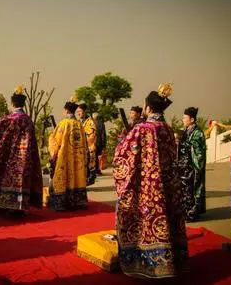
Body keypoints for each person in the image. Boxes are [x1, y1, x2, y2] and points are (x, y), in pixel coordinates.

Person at [113, 84, 188, 279]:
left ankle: (146, 265)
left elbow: (122, 156)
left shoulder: (142, 129)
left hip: (147, 187)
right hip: (168, 185)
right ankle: (170, 263)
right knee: (168, 219)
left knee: (142, 220)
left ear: (147, 108)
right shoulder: (167, 129)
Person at [0, 86, 43, 217]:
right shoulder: (29, 120)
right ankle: (19, 207)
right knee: (21, 180)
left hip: (9, 157)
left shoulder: (9, 119)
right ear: (23, 103)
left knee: (4, 177)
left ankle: (2, 205)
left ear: (12, 103)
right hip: (24, 158)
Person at [48, 98, 88, 211]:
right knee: (76, 176)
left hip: (64, 156)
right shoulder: (79, 124)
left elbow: (54, 140)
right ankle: (77, 202)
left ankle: (61, 203)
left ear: (66, 110)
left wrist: (53, 155)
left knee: (61, 177)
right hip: (77, 156)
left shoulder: (63, 124)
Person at [178, 107, 207, 222]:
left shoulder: (198, 133)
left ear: (192, 119)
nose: (183, 120)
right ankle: (186, 211)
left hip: (194, 166)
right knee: (185, 190)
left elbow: (198, 149)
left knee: (194, 189)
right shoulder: (186, 131)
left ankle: (193, 212)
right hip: (185, 166)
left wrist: (184, 143)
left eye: (185, 118)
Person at [77, 104, 97, 185]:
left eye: (80, 111)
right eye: (77, 111)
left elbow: (92, 135)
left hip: (87, 148)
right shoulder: (77, 121)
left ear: (85, 111)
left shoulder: (90, 122)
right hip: (79, 148)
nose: (78, 113)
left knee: (87, 168)